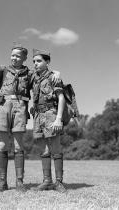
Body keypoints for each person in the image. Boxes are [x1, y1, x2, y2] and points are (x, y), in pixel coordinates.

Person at [0, 42, 60, 193]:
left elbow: (44, 73)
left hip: (20, 108)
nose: (14, 58)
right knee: (2, 145)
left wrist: (56, 72)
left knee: (18, 146)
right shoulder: (4, 70)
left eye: (17, 56)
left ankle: (19, 182)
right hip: (3, 107)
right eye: (12, 55)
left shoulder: (30, 74)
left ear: (24, 58)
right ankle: (2, 182)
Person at [30, 49, 67, 192]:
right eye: (33, 61)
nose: (35, 64)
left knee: (56, 149)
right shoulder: (34, 77)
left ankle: (59, 182)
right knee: (44, 150)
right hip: (38, 116)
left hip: (51, 114)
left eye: (39, 61)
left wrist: (58, 119)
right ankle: (47, 181)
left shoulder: (54, 77)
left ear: (47, 62)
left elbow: (61, 98)